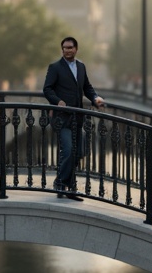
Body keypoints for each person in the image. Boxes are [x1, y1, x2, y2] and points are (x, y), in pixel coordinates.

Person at [43, 36, 105, 200]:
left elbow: (87, 87)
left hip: (77, 117)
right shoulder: (55, 67)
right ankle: (62, 185)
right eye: (64, 48)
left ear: (76, 49)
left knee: (80, 150)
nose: (67, 50)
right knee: (69, 150)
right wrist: (58, 101)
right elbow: (47, 89)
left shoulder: (81, 66)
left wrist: (95, 98)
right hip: (62, 118)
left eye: (70, 47)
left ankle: (65, 184)